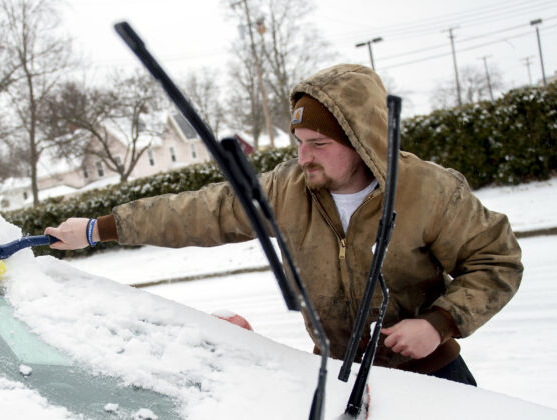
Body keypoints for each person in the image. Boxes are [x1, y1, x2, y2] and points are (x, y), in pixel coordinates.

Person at [45, 64, 522, 385]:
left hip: (432, 376)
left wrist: (438, 324)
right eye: (298, 140)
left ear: (363, 140)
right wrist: (98, 228)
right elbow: (199, 212)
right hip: (336, 382)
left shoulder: (430, 192)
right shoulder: (287, 190)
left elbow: (497, 262)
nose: (302, 156)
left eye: (318, 142)